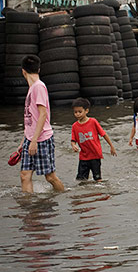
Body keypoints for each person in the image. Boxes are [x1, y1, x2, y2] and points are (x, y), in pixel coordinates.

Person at [17, 55, 64, 193]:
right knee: (25, 176)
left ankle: (64, 196)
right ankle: (30, 209)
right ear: (38, 69)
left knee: (50, 177)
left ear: (23, 71)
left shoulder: (39, 87)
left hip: (41, 139)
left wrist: (34, 141)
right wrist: (24, 141)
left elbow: (43, 114)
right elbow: (31, 118)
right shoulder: (32, 88)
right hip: (30, 139)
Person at [71, 97, 117, 181]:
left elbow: (104, 134)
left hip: (95, 156)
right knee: (81, 180)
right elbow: (73, 140)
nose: (77, 114)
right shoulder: (74, 126)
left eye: (80, 112)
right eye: (75, 112)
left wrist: (111, 146)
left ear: (86, 111)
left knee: (97, 178)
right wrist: (73, 145)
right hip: (83, 157)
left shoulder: (93, 122)